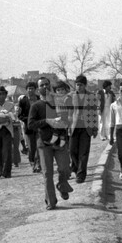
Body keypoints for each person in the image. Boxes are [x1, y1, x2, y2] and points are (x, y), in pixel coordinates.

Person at [28, 78, 73, 209]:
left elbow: (68, 119)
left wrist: (63, 122)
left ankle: (62, 184)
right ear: (38, 89)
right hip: (43, 143)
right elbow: (31, 125)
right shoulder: (36, 106)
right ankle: (51, 202)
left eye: (47, 84)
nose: (45, 87)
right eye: (42, 85)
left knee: (65, 168)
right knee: (47, 173)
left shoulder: (59, 103)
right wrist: (47, 121)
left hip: (60, 142)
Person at [69, 75, 99, 184]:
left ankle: (81, 175)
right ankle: (76, 169)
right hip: (74, 127)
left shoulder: (91, 96)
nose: (79, 87)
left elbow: (94, 113)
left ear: (85, 85)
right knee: (72, 150)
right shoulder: (71, 96)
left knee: (84, 152)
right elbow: (68, 113)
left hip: (86, 128)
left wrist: (95, 129)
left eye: (81, 85)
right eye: (77, 85)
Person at [16, 81, 41, 172]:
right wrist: (29, 119)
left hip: (39, 126)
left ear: (36, 89)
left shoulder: (40, 99)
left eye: (32, 88)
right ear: (26, 90)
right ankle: (32, 162)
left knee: (39, 146)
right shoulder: (23, 101)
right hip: (29, 127)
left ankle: (38, 164)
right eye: (29, 88)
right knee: (32, 147)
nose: (30, 90)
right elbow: (19, 115)